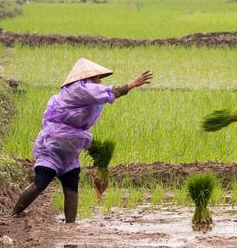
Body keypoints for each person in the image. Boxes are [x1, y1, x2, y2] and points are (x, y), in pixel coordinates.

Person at [12, 58, 153, 223]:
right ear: (87, 77)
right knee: (41, 182)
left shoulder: (81, 91)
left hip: (69, 147)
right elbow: (111, 93)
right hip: (56, 144)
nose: (99, 82)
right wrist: (132, 84)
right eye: (98, 78)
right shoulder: (79, 89)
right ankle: (14, 213)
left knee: (71, 185)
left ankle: (70, 225)